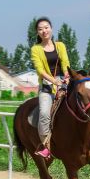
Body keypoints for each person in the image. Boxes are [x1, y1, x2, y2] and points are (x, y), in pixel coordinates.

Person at [30, 17, 70, 158]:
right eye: (40, 29)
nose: (44, 31)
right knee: (45, 114)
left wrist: (66, 76)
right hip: (47, 88)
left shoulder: (60, 46)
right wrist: (55, 82)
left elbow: (66, 64)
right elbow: (40, 70)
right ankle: (46, 146)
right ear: (37, 32)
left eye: (46, 27)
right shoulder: (36, 49)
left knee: (82, 102)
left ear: (51, 28)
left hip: (64, 83)